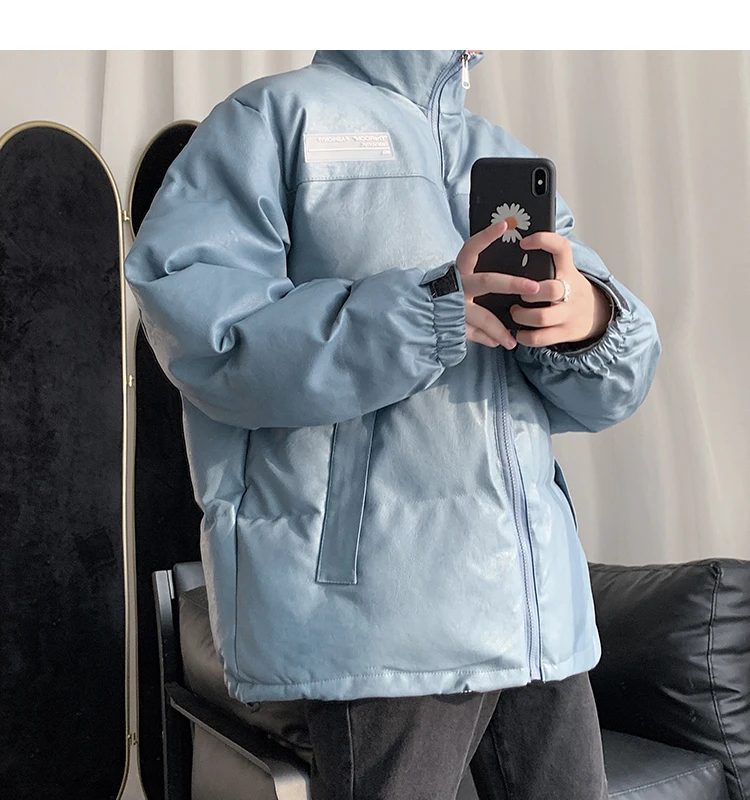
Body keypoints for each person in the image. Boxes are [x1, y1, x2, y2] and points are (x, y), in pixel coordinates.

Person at [124, 50, 661, 799]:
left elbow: (613, 389)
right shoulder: (273, 120)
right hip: (383, 607)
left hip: (535, 605)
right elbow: (206, 338)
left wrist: (587, 319)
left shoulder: (493, 150)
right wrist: (423, 312)